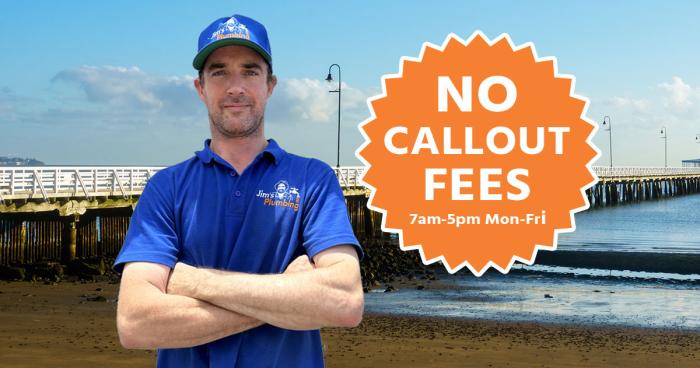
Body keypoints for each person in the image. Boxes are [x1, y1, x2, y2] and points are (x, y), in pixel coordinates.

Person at [113, 14, 364, 368]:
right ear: (200, 88)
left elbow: (345, 302)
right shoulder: (166, 189)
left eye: (250, 71)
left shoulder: (312, 180)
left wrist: (193, 281)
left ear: (270, 85)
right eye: (219, 72)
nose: (236, 87)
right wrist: (286, 297)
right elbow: (135, 323)